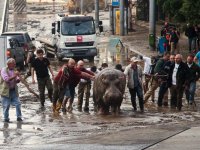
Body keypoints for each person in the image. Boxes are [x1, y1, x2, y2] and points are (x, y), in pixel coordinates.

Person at [0, 58, 23, 122]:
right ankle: (6, 118)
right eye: (13, 64)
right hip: (5, 91)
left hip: (13, 90)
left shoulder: (14, 70)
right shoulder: (4, 70)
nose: (14, 65)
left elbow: (17, 79)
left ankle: (19, 117)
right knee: (6, 106)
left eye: (15, 64)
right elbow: (6, 80)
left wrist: (18, 79)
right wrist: (15, 76)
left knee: (18, 103)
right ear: (8, 64)